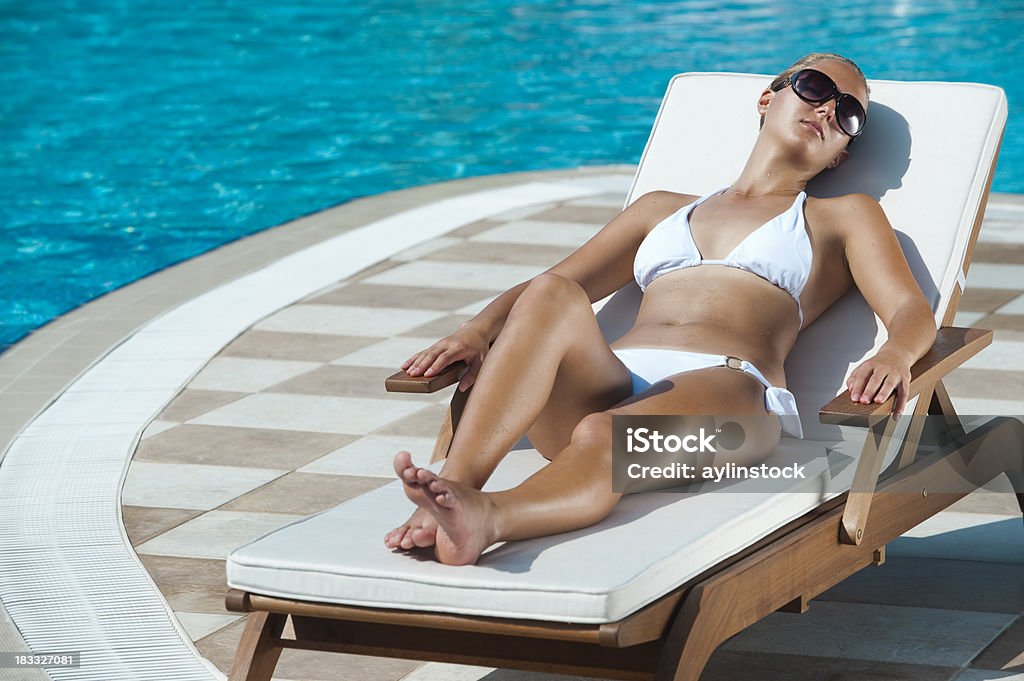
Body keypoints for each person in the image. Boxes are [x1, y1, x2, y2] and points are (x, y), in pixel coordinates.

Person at [384, 53, 937, 565]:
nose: (826, 109)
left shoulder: (842, 215)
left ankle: (489, 519)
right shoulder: (660, 209)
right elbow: (552, 286)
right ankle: (455, 488)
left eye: (849, 115)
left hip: (733, 400)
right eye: (816, 88)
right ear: (768, 99)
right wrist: (478, 330)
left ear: (841, 152)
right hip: (607, 382)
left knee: (607, 435)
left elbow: (910, 308)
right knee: (554, 294)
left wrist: (895, 351)